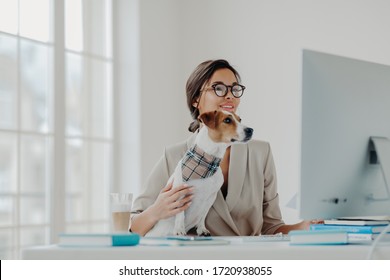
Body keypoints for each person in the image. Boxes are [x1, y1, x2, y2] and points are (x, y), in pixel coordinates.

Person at [130, 59, 314, 236]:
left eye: (235, 89)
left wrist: (306, 226)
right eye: (218, 88)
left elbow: (271, 227)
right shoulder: (174, 156)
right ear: (196, 99)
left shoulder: (260, 153)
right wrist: (156, 211)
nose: (230, 95)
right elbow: (133, 227)